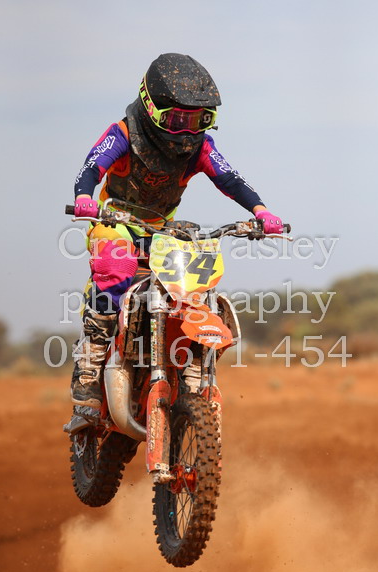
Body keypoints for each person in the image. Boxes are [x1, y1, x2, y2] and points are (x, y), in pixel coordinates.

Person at [68, 53, 283, 429]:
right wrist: (85, 197)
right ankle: (90, 365)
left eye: (199, 120)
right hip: (114, 220)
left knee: (195, 286)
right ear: (151, 108)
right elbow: (92, 167)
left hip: (162, 230)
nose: (186, 131)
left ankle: (192, 372)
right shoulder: (124, 133)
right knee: (115, 266)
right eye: (177, 119)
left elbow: (229, 179)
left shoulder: (201, 148)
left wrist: (261, 211)